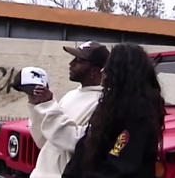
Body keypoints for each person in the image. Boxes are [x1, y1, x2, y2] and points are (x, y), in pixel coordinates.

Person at [62, 42, 167, 178]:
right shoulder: (109, 105)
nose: (102, 71)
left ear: (123, 72)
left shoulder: (140, 115)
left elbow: (120, 166)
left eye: (109, 66)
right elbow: (85, 147)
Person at [26, 41, 110, 178]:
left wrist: (48, 106)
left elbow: (77, 142)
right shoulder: (71, 95)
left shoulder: (102, 103)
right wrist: (37, 107)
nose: (71, 64)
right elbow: (43, 141)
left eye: (79, 61)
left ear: (95, 70)